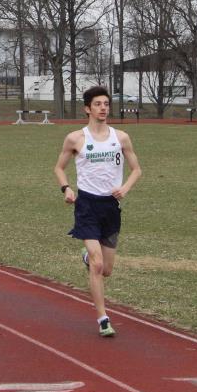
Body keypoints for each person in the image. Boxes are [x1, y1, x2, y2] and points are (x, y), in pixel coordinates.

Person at [53, 86, 142, 338]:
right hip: (87, 205)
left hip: (111, 207)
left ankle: (87, 259)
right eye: (98, 104)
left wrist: (125, 188)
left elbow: (137, 169)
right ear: (87, 109)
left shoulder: (121, 137)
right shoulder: (75, 139)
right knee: (98, 263)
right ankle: (103, 318)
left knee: (107, 269)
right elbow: (59, 168)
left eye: (106, 104)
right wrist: (66, 188)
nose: (103, 108)